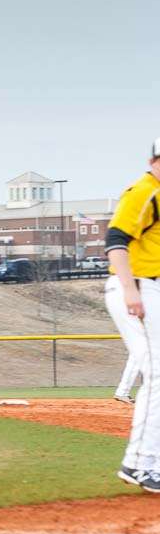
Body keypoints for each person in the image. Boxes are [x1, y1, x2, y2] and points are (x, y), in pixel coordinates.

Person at [105, 136, 160, 493]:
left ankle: (141, 462)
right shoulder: (145, 191)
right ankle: (140, 463)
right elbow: (115, 239)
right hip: (137, 287)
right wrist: (129, 290)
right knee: (156, 373)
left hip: (149, 287)